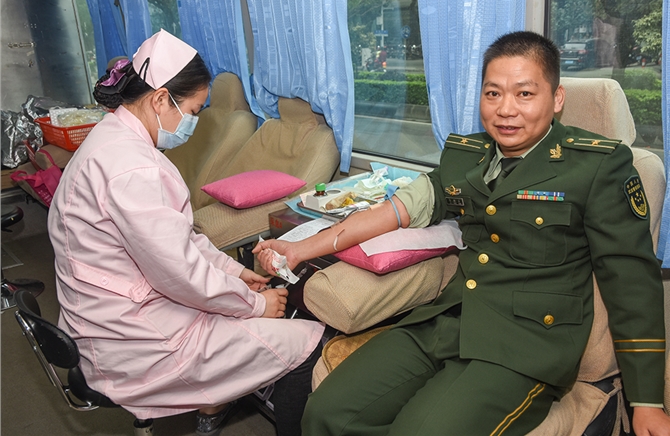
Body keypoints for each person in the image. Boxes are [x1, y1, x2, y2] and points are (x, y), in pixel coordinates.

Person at [254, 31, 669, 435]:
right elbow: (396, 211)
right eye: (493, 93)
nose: (506, 109)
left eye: (525, 93)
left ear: (556, 99)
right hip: (448, 320)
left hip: (525, 346)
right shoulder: (465, 156)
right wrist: (298, 250)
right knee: (327, 411)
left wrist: (646, 400)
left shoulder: (598, 166)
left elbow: (632, 282)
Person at [48, 29, 324, 436]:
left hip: (105, 315)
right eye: (193, 111)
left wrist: (235, 273)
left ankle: (211, 408)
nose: (193, 122)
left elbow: (180, 241)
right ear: (160, 99)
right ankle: (217, 406)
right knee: (307, 342)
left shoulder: (111, 139)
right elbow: (178, 272)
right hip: (131, 342)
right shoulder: (133, 168)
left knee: (235, 318)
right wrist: (255, 304)